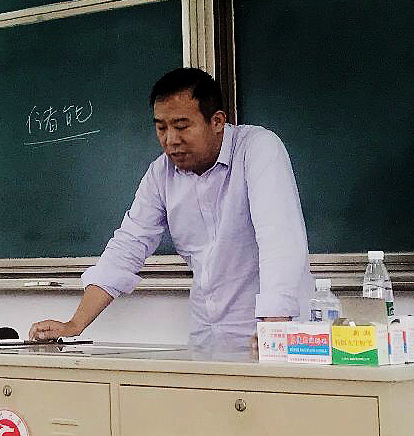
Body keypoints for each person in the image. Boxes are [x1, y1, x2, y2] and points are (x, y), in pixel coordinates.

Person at [28, 68, 311, 351]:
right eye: (161, 128)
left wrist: (274, 327)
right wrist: (75, 324)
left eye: (182, 126)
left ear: (217, 121)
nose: (171, 140)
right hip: (208, 335)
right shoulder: (160, 173)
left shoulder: (258, 149)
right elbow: (128, 246)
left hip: (275, 334)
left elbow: (279, 239)